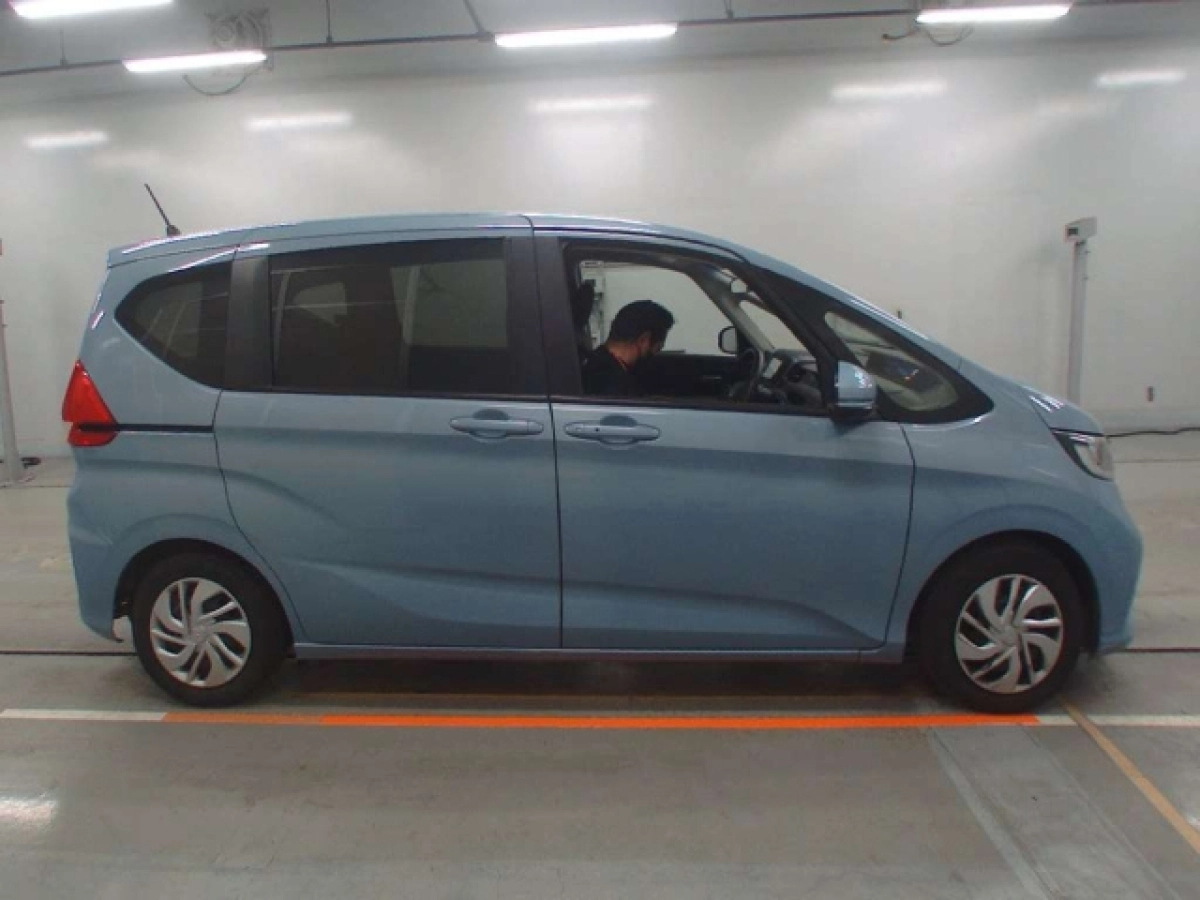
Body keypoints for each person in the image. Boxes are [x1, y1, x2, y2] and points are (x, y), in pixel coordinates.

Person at [581, 300, 675, 397]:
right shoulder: (612, 386)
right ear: (643, 340)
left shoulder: (600, 363)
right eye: (658, 348)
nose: (656, 354)